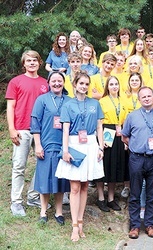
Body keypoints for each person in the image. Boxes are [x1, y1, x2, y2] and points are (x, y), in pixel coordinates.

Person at [55, 72, 105, 241]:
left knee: (85, 186)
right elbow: (65, 129)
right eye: (81, 83)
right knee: (74, 187)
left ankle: (81, 221)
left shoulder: (94, 104)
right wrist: (66, 150)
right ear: (75, 84)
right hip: (74, 145)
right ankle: (74, 226)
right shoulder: (68, 105)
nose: (84, 86)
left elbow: (99, 128)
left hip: (91, 144)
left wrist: (101, 147)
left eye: (86, 84)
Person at [122, 87, 153, 239]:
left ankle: (149, 224)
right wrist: (137, 146)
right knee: (135, 193)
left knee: (152, 193)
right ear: (139, 99)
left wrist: (152, 148)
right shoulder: (132, 116)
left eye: (149, 96)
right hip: (137, 158)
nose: (147, 99)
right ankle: (134, 226)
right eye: (144, 97)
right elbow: (125, 137)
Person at [6, 50, 49, 216]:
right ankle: (16, 202)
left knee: (42, 165)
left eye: (35, 60)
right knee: (19, 166)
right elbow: (11, 106)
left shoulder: (45, 83)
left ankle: (33, 196)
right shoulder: (16, 82)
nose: (32, 63)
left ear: (39, 63)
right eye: (29, 61)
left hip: (41, 130)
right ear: (24, 64)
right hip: (22, 129)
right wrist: (11, 128)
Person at [31, 72, 71, 224]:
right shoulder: (42, 100)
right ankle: (43, 211)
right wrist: (38, 145)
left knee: (61, 179)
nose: (56, 83)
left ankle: (59, 212)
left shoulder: (69, 101)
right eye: (53, 81)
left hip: (64, 146)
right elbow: (35, 123)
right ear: (48, 82)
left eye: (59, 81)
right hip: (46, 144)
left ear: (63, 82)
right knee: (45, 178)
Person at [96, 76, 127, 212]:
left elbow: (126, 121)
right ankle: (101, 198)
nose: (114, 86)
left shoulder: (123, 100)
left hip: (120, 133)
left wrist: (126, 139)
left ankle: (111, 198)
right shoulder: (102, 101)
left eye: (116, 84)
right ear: (107, 87)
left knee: (115, 167)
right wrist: (102, 140)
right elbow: (99, 122)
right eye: (111, 84)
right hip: (107, 132)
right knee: (104, 167)